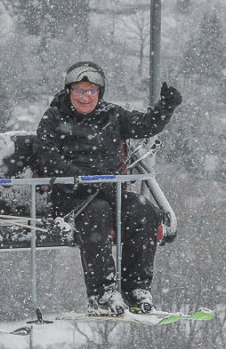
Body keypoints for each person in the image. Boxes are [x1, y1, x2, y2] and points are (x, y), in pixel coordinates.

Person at [34, 61, 182, 314]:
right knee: (97, 215)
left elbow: (144, 126)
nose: (85, 97)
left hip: (111, 192)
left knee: (144, 212)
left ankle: (135, 287)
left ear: (99, 93)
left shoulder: (112, 115)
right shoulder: (55, 118)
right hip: (73, 199)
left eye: (91, 91)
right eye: (79, 91)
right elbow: (46, 157)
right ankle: (102, 292)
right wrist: (80, 177)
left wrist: (165, 107)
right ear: (69, 92)